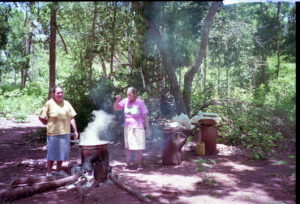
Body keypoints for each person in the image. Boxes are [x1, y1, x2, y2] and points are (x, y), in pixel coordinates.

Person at [39, 86, 79, 176]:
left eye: (61, 92)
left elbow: (72, 118)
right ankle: (49, 172)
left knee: (62, 153)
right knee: (52, 153)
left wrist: (75, 131)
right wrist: (46, 122)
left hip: (65, 132)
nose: (60, 94)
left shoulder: (67, 103)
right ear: (53, 94)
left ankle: (59, 170)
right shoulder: (49, 103)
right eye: (58, 93)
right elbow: (41, 117)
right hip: (53, 133)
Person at [114, 87, 151, 170]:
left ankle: (140, 165)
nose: (128, 96)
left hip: (138, 127)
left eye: (130, 95)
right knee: (128, 147)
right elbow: (116, 108)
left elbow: (145, 116)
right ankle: (128, 164)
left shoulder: (140, 102)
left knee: (139, 147)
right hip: (128, 127)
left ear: (134, 94)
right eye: (127, 94)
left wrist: (147, 129)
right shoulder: (125, 101)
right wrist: (117, 100)